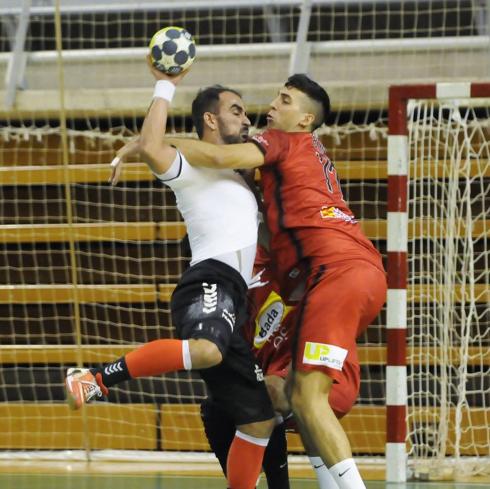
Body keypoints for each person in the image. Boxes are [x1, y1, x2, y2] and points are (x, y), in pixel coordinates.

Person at [158, 74, 387, 489]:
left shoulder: (281, 142)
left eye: (284, 100)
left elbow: (216, 157)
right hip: (354, 275)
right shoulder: (297, 166)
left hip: (337, 274)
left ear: (304, 120)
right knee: (297, 395)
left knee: (300, 398)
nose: (271, 107)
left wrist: (156, 147)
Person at [64, 59, 275, 489]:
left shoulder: (239, 173)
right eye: (236, 109)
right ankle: (94, 380)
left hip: (237, 297)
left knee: (258, 419)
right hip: (210, 279)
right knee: (205, 350)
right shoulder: (190, 169)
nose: (247, 117)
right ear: (211, 119)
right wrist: (165, 85)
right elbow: (156, 145)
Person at [203, 245, 366, 489]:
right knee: (218, 404)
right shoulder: (232, 291)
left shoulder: (298, 255)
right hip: (278, 377)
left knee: (268, 396)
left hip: (328, 368)